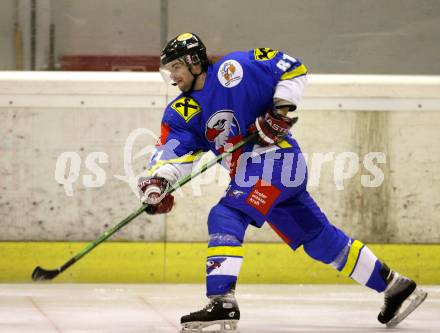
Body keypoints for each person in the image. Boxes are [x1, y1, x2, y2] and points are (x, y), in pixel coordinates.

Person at [138, 32, 427, 332]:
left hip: (275, 159)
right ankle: (396, 287)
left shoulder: (233, 70)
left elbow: (291, 67)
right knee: (319, 240)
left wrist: (280, 112)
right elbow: (174, 152)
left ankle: (222, 299)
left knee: (226, 214)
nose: (172, 76)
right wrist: (158, 182)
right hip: (260, 173)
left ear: (193, 62)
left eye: (175, 67)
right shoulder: (183, 111)